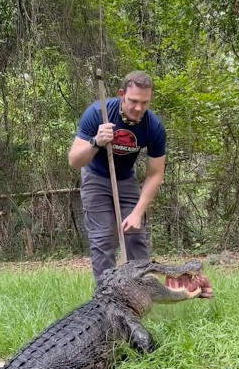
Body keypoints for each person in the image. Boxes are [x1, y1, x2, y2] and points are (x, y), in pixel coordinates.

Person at [67, 71, 166, 282]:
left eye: (144, 102)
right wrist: (96, 141)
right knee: (102, 240)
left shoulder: (153, 126)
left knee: (135, 237)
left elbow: (155, 174)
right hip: (95, 176)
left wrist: (138, 213)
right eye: (133, 101)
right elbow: (75, 161)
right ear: (122, 94)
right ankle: (106, 300)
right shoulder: (98, 113)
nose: (138, 108)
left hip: (125, 179)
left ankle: (141, 296)